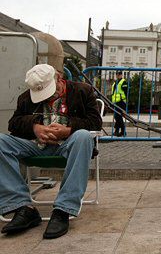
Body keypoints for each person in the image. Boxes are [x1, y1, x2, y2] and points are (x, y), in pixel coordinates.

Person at [0, 64, 102, 239]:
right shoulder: (26, 98)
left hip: (68, 145)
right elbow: (13, 124)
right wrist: (35, 127)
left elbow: (95, 123)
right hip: (35, 146)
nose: (46, 98)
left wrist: (69, 129)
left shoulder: (83, 91)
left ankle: (63, 209)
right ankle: (22, 207)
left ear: (59, 79)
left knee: (84, 136)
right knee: (0, 141)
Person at [111, 71, 128, 137]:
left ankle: (121, 131)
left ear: (121, 75)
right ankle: (118, 131)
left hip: (121, 101)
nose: (117, 75)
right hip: (116, 102)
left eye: (119, 74)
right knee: (118, 116)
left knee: (117, 116)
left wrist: (123, 100)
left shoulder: (123, 82)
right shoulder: (116, 82)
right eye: (117, 74)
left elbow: (126, 92)